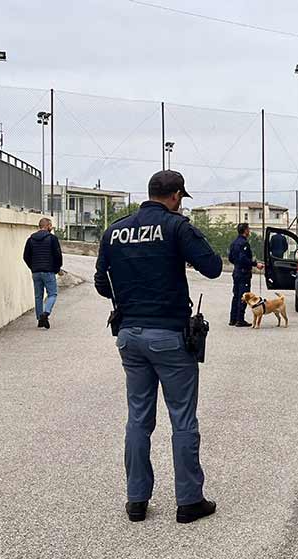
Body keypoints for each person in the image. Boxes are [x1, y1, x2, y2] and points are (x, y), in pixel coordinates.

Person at [94, 170, 223, 524]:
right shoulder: (175, 226)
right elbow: (212, 267)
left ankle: (137, 500)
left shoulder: (115, 230)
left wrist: (127, 297)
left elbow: (100, 281)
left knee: (138, 418)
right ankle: (189, 501)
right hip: (169, 336)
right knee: (182, 418)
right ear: (177, 196)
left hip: (130, 336)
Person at [23, 217, 63, 330]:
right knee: (52, 294)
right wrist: (57, 268)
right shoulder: (52, 239)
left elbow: (26, 256)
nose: (52, 228)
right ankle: (46, 313)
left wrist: (33, 267)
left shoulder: (30, 239)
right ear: (48, 226)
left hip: (36, 272)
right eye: (51, 226)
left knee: (38, 296)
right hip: (49, 271)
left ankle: (40, 318)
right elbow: (58, 256)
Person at [228, 223, 264, 327]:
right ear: (245, 231)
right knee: (244, 296)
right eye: (248, 229)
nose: (249, 231)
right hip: (244, 273)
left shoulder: (234, 243)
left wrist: (237, 264)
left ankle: (233, 319)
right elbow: (243, 258)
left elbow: (230, 258)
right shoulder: (244, 243)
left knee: (236, 295)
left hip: (236, 272)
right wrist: (255, 264)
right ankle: (240, 319)